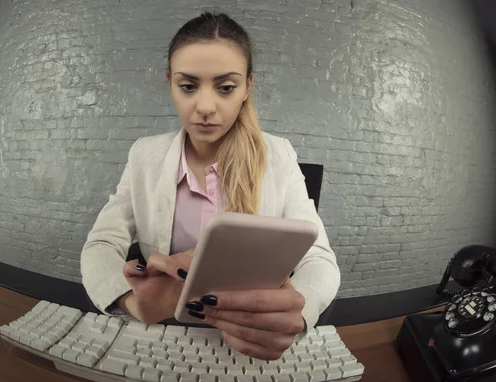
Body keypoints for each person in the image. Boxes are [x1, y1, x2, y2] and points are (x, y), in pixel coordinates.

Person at [80, 11, 340, 360]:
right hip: (166, 330)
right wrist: (130, 301)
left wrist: (296, 313)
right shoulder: (145, 155)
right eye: (188, 86)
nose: (204, 106)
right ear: (170, 82)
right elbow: (102, 243)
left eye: (226, 87)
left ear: (248, 86)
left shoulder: (278, 155)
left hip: (247, 337)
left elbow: (319, 259)